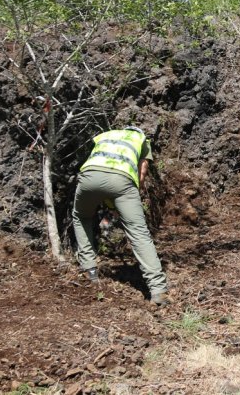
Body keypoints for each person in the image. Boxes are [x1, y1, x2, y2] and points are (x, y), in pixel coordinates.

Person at [72, 126, 170, 306]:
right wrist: (127, 200)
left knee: (81, 216)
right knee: (138, 232)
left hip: (90, 176)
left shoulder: (105, 135)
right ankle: (158, 291)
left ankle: (89, 270)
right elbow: (142, 172)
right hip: (123, 180)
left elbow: (96, 161)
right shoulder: (141, 140)